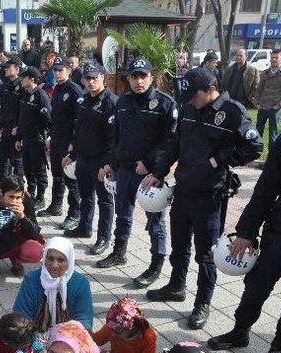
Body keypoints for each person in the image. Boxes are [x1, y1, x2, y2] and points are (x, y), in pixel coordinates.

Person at [208, 81, 281, 352]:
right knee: (255, 289)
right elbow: (264, 191)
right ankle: (239, 332)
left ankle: (279, 351)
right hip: (280, 234)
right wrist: (246, 232)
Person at [143, 67, 262, 330]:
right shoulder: (188, 108)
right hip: (183, 188)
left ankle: (203, 302)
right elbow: (174, 143)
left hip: (210, 196)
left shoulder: (232, 111)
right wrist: (158, 172)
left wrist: (220, 158)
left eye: (194, 96)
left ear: (210, 90)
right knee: (180, 245)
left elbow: (254, 146)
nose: (190, 101)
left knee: (205, 253)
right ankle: (176, 285)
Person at [96, 58, 176, 289]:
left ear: (151, 77)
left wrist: (149, 163)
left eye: (143, 76)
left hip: (149, 173)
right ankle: (119, 251)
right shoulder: (122, 102)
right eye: (135, 76)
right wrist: (112, 163)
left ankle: (155, 264)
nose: (139, 81)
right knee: (123, 214)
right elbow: (116, 137)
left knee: (155, 221)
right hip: (125, 170)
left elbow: (170, 142)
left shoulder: (164, 103)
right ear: (128, 78)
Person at [62, 63, 117, 256]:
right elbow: (79, 131)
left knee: (104, 201)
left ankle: (103, 238)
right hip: (83, 158)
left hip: (100, 161)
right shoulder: (82, 100)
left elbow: (113, 139)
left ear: (103, 77)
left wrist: (106, 165)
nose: (91, 82)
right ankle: (85, 227)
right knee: (85, 196)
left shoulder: (111, 102)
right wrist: (73, 154)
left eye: (95, 78)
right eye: (87, 78)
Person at [13, 236, 93, 332]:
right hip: (34, 334)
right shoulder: (31, 279)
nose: (54, 265)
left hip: (69, 337)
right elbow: (21, 315)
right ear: (44, 258)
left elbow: (84, 321)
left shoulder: (80, 284)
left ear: (69, 261)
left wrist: (64, 341)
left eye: (61, 260)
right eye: (50, 258)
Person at [0, 175, 44, 283]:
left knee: (35, 251)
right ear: (1, 193)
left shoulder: (26, 201)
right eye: (11, 197)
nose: (15, 201)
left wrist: (23, 217)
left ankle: (15, 259)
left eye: (18, 197)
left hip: (14, 238)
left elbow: (34, 233)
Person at [39, 56, 83, 226]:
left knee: (71, 178)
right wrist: (50, 137)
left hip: (68, 141)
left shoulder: (75, 91)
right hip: (56, 138)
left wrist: (74, 142)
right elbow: (54, 117)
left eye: (61, 70)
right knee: (57, 175)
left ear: (69, 70)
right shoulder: (57, 89)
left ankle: (74, 213)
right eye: (55, 70)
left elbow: (79, 120)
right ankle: (56, 205)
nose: (57, 73)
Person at [17, 66, 51, 210]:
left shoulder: (41, 96)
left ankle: (41, 197)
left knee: (39, 169)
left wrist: (45, 137)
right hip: (26, 138)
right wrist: (19, 137)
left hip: (36, 138)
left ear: (32, 79)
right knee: (28, 167)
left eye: (24, 77)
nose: (21, 79)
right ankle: (30, 193)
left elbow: (48, 119)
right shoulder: (25, 94)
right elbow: (22, 118)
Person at [252, 49, 281, 145]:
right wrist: (257, 103)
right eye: (272, 58)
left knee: (273, 134)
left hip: (275, 107)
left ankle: (272, 157)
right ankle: (254, 152)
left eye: (276, 58)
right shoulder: (265, 72)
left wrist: (279, 105)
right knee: (258, 132)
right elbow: (259, 90)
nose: (274, 60)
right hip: (262, 106)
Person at [0, 56, 25, 182]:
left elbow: (24, 110)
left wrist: (19, 128)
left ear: (17, 69)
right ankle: (3, 185)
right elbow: (3, 108)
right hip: (6, 127)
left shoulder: (23, 86)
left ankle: (19, 188)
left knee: (17, 161)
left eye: (8, 67)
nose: (5, 69)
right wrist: (1, 127)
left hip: (17, 128)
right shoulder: (4, 86)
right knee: (2, 158)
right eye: (5, 67)